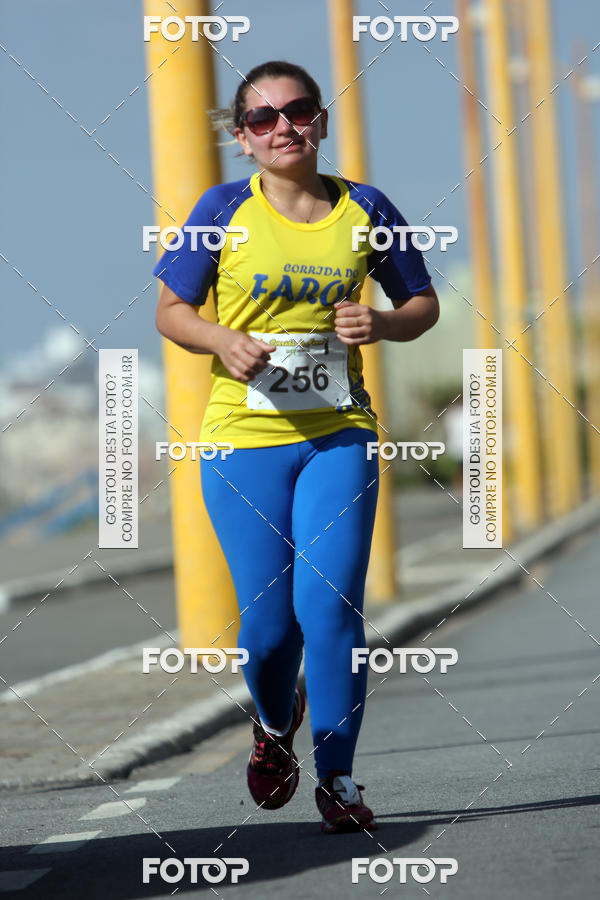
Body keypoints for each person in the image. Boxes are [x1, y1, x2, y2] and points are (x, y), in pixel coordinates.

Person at [154, 60, 439, 834]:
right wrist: (221, 339)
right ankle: (275, 727)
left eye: (298, 110)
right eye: (262, 118)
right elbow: (171, 312)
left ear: (320, 120)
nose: (283, 127)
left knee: (331, 606)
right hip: (244, 439)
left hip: (338, 433)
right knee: (269, 627)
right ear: (242, 138)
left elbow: (422, 303)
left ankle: (338, 779)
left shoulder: (366, 207)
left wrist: (383, 323)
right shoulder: (221, 209)